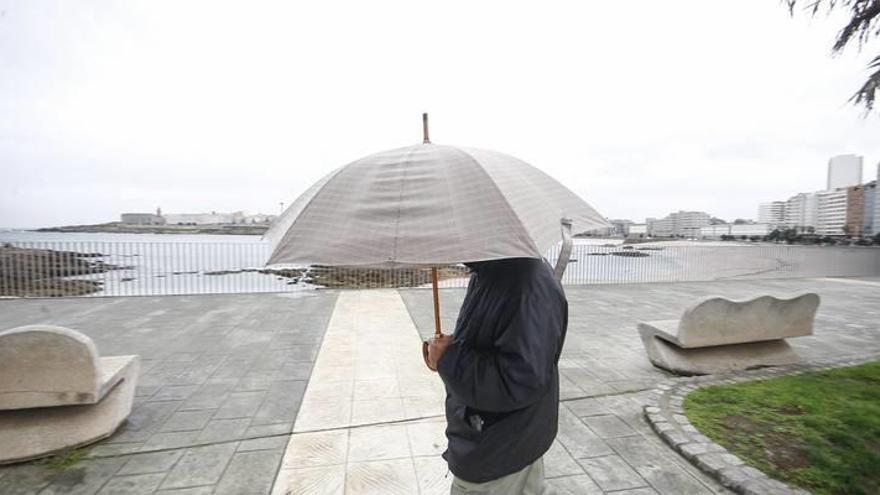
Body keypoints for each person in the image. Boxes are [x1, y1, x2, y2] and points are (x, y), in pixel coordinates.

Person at [425, 257, 568, 495]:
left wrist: (449, 359)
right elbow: (489, 343)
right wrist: (447, 352)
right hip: (495, 440)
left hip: (499, 448)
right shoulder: (492, 271)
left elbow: (518, 381)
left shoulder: (527, 284)